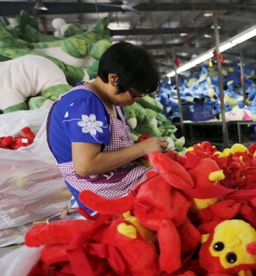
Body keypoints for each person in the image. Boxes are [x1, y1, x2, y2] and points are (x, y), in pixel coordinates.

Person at [47, 41, 168, 214]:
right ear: (113, 78)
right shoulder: (85, 103)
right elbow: (86, 166)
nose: (137, 100)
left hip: (116, 177)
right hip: (98, 189)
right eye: (134, 94)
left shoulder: (110, 102)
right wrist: (140, 148)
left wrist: (141, 150)